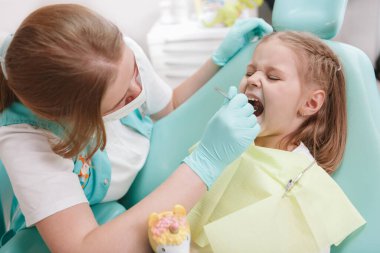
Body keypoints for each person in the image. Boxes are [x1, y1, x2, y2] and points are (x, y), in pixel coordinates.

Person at [0, 4, 269, 252]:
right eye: (123, 99)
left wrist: (216, 61)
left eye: (134, 73)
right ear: (75, 118)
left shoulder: (114, 58)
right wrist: (206, 163)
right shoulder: (26, 142)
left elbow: (169, 105)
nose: (138, 90)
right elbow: (82, 247)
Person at [188, 31, 366, 253]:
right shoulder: (224, 144)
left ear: (311, 103)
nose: (252, 79)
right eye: (250, 72)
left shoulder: (306, 188)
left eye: (273, 77)